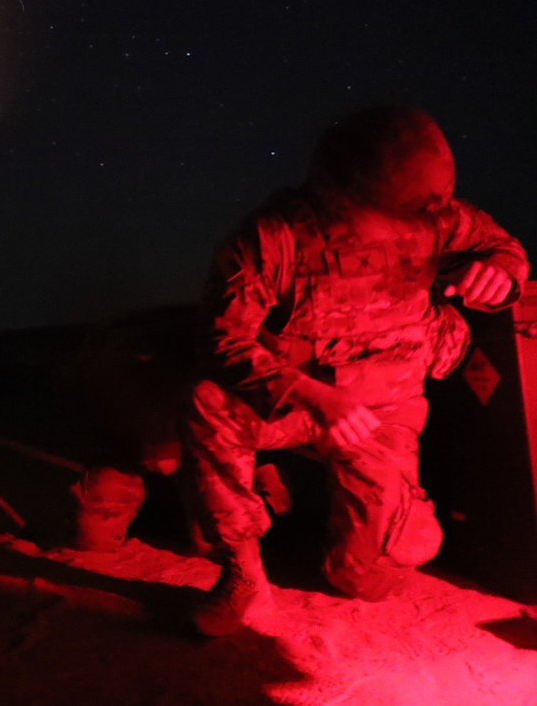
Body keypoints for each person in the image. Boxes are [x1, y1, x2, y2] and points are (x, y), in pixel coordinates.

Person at [181, 105, 529, 636]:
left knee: (363, 579)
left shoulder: (434, 216)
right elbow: (223, 340)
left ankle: (360, 517)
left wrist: (499, 272)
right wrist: (313, 396)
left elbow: (502, 247)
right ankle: (243, 579)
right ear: (343, 194)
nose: (414, 223)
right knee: (209, 403)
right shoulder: (273, 238)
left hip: (385, 409)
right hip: (301, 404)